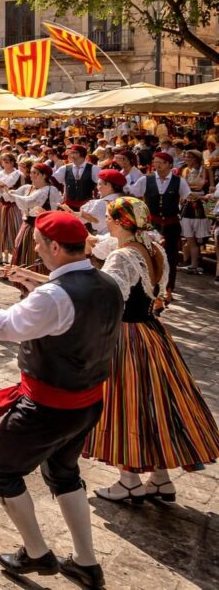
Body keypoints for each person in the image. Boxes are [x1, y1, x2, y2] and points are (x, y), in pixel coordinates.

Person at [0, 210, 123, 590]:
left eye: (40, 245)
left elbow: (3, 326)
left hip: (49, 406)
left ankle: (37, 552)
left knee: (1, 468)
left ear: (56, 247)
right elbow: (67, 303)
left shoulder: (52, 297)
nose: (36, 250)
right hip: (88, 401)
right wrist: (32, 282)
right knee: (63, 472)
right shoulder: (107, 283)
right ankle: (86, 563)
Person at [84, 197, 219, 503]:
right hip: (152, 334)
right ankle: (160, 478)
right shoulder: (154, 248)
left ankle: (129, 479)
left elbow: (110, 297)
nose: (106, 221)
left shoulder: (124, 256)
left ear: (121, 222)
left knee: (126, 404)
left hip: (127, 338)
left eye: (109, 217)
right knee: (154, 404)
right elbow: (105, 247)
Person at [126, 151, 190, 302]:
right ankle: (150, 288)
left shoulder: (179, 181)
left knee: (171, 257)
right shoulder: (145, 180)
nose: (157, 164)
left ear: (169, 165)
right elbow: (132, 194)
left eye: (161, 162)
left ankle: (168, 289)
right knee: (149, 255)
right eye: (155, 161)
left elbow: (188, 197)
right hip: (151, 225)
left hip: (171, 224)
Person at [2, 162, 62, 274]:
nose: (31, 175)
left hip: (42, 229)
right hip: (26, 225)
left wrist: (11, 194)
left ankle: (36, 282)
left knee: (35, 255)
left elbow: (28, 202)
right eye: (31, 172)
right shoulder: (28, 188)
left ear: (44, 176)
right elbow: (11, 196)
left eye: (35, 173)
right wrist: (5, 189)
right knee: (21, 252)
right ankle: (23, 285)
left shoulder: (49, 190)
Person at [0, 153, 24, 265]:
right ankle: (0, 255)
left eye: (7, 161)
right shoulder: (0, 173)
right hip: (1, 204)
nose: (4, 163)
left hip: (12, 204)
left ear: (12, 162)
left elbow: (10, 184)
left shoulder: (17, 174)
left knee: (11, 229)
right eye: (2, 161)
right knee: (0, 228)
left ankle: (10, 256)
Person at [177, 150, 210, 275]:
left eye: (189, 157)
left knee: (193, 239)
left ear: (196, 158)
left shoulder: (206, 170)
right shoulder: (185, 171)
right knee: (189, 239)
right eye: (186, 157)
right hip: (187, 205)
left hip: (200, 206)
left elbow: (209, 188)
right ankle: (189, 262)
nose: (186, 159)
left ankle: (194, 264)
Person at [53, 145, 100, 210]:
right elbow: (54, 183)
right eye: (71, 153)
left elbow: (100, 186)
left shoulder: (94, 169)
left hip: (87, 206)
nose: (71, 155)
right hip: (69, 206)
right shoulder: (64, 169)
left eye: (74, 153)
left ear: (82, 154)